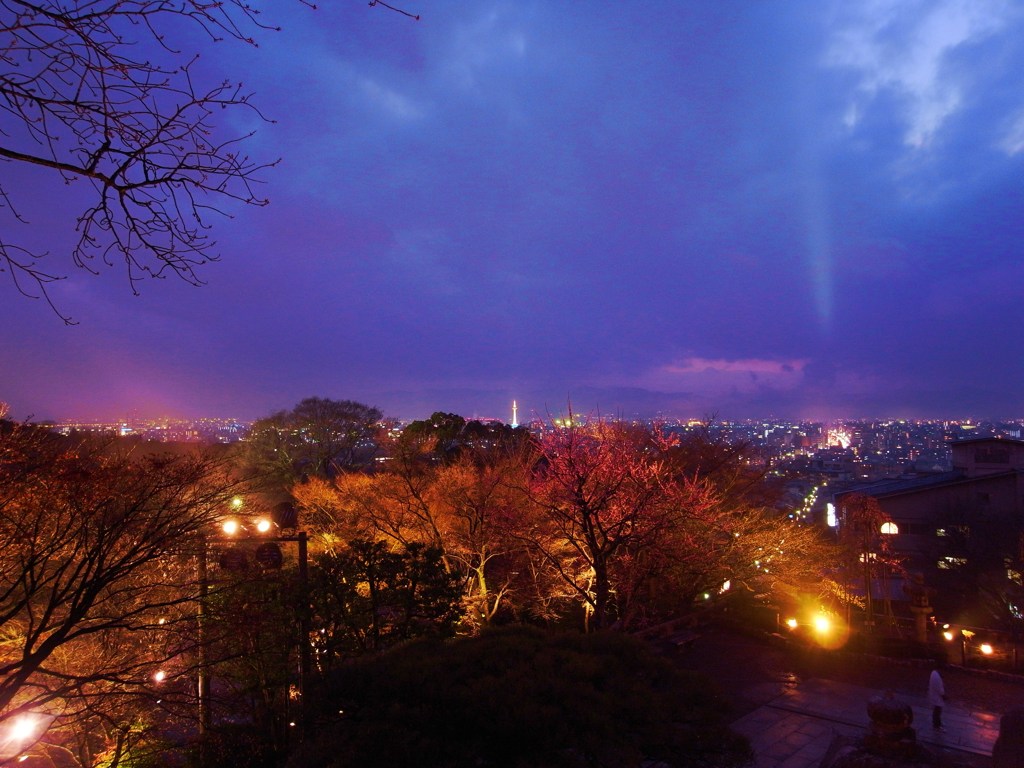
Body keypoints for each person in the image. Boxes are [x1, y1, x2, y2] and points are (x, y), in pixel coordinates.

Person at [928, 663, 946, 731]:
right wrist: (944, 696)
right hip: (937, 697)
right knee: (937, 711)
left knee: (937, 711)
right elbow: (940, 689)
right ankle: (936, 725)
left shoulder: (934, 673)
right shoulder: (937, 677)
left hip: (934, 695)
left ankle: (938, 723)